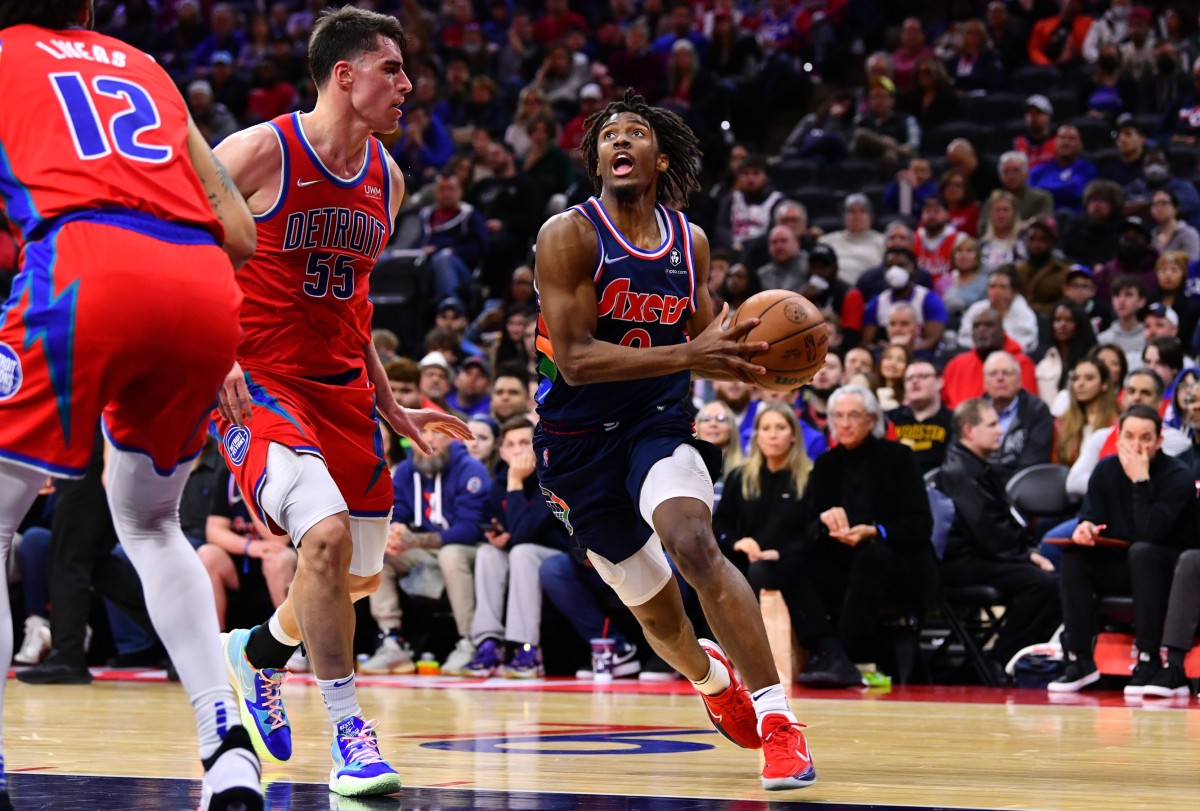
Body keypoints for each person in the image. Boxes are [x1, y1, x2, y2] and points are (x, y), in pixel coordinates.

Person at [0, 2, 265, 808]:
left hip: (82, 267)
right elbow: (242, 232)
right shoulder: (145, 67)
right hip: (201, 288)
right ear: (84, 8)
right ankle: (227, 747)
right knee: (151, 524)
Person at [209, 7, 471, 796]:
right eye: (393, 68)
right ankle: (351, 735)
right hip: (258, 383)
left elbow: (352, 307)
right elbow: (179, 243)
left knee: (351, 579)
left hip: (342, 390)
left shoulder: (387, 178)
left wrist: (390, 402)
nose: (407, 84)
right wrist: (212, 348)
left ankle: (256, 651)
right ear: (345, 74)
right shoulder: (258, 150)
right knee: (318, 540)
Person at [533, 89, 815, 790]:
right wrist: (695, 355)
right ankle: (710, 678)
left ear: (659, 158)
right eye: (609, 136)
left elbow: (706, 333)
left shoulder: (689, 241)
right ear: (597, 158)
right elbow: (575, 358)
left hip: (656, 420)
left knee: (694, 541)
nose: (620, 142)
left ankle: (780, 722)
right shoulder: (568, 234)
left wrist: (757, 357)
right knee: (658, 616)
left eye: (635, 133)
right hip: (574, 443)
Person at [775, 385, 935, 687]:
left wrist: (876, 531)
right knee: (789, 562)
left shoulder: (899, 457)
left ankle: (844, 653)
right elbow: (808, 530)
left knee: (871, 557)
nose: (844, 424)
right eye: (838, 416)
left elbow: (920, 525)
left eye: (853, 415)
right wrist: (825, 524)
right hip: (841, 559)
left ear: (871, 419)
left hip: (894, 560)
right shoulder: (825, 464)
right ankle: (831, 650)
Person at [1050, 404, 1199, 694]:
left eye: (1145, 438)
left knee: (1142, 551)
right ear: (1117, 438)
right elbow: (1091, 515)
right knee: (1075, 555)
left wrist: (1140, 480)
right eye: (1129, 436)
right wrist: (1087, 528)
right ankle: (1079, 660)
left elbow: (1151, 532)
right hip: (1127, 563)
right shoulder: (1105, 469)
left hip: (1170, 568)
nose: (1136, 445)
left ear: (1159, 441)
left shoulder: (1177, 477)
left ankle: (1148, 658)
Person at [937, 399, 1060, 677]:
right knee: (1041, 585)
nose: (1000, 431)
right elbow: (988, 532)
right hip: (962, 563)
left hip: (984, 556)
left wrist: (1026, 552)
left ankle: (1013, 659)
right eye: (992, 424)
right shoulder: (960, 471)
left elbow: (1000, 523)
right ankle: (998, 661)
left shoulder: (977, 466)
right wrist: (1027, 556)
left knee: (1053, 583)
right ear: (969, 430)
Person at [465, 417, 572, 678]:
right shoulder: (499, 481)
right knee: (488, 553)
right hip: (522, 551)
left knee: (521, 553)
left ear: (538, 446)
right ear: (501, 452)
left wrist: (515, 482)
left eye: (525, 443)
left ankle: (527, 650)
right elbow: (490, 520)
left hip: (558, 557)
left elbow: (524, 535)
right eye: (511, 444)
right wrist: (496, 533)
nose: (517, 451)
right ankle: (488, 642)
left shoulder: (551, 477)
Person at [713, 404, 812, 594]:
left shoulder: (809, 477)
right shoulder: (740, 475)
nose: (772, 435)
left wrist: (780, 554)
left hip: (793, 562)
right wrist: (737, 542)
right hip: (746, 559)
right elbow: (719, 523)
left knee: (763, 570)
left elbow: (812, 534)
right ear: (757, 436)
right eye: (766, 429)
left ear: (793, 435)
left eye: (780, 428)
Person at [983, 351, 1055, 484]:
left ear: (1020, 380)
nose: (1000, 378)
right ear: (984, 382)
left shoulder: (1037, 411)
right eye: (993, 374)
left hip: (1021, 487)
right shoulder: (974, 412)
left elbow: (1034, 462)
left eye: (1007, 373)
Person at [887, 361, 953, 474]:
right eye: (909, 378)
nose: (914, 381)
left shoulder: (954, 421)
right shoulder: (890, 418)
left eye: (923, 376)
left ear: (939, 382)